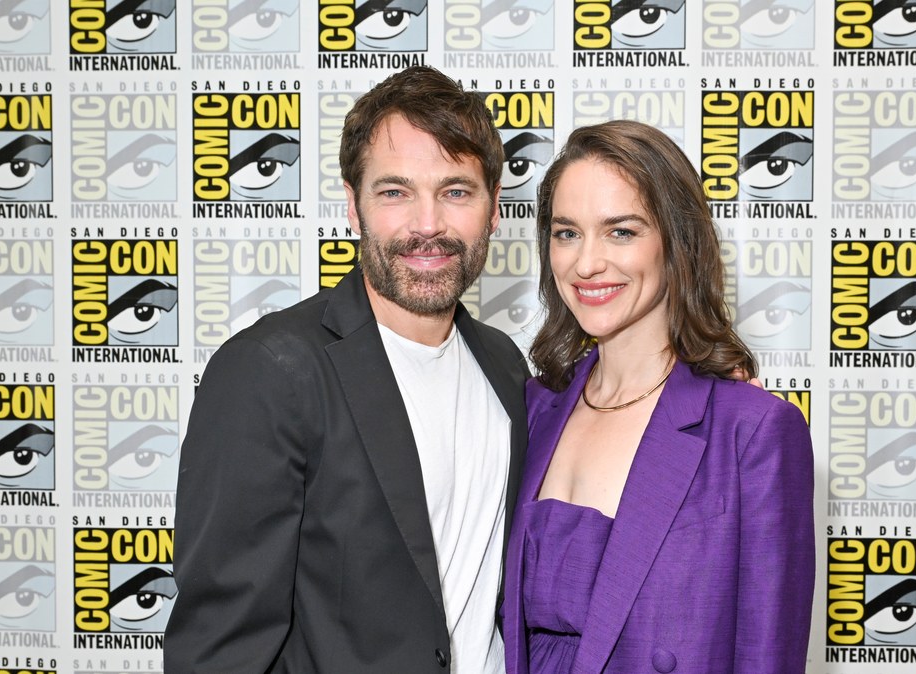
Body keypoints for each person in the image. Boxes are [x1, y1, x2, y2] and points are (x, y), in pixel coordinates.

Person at [166, 66, 529, 674]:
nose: (428, 223)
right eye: (394, 192)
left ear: (494, 209)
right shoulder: (271, 372)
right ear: (353, 208)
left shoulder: (505, 366)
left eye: (456, 191)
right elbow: (219, 648)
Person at [501, 120, 815, 674]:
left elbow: (768, 655)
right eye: (566, 232)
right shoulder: (531, 409)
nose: (586, 263)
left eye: (621, 231)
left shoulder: (753, 432)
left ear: (677, 242)